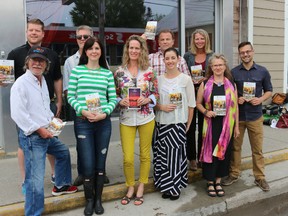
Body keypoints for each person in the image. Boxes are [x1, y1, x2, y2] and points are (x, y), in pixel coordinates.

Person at [10, 46, 77, 216]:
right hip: (33, 137)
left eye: (41, 61)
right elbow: (18, 115)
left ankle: (61, 185)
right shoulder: (20, 84)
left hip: (46, 132)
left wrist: (52, 121)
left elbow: (43, 108)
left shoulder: (41, 81)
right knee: (35, 181)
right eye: (34, 60)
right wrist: (40, 129)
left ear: (46, 65)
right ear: (28, 62)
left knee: (62, 152)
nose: (37, 64)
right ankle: (33, 213)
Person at [7, 18, 62, 190]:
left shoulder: (52, 55)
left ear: (43, 34)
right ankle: (26, 180)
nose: (34, 33)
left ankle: (55, 174)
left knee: (52, 141)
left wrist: (60, 101)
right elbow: (6, 79)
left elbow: (57, 78)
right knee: (23, 145)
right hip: (25, 110)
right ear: (26, 31)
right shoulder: (14, 54)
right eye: (31, 30)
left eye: (37, 30)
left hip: (48, 108)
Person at [67, 37, 117, 215]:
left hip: (103, 123)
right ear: (85, 51)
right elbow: (70, 96)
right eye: (90, 48)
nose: (94, 51)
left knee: (100, 164)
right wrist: (84, 111)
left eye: (97, 48)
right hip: (84, 122)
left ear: (101, 51)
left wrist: (104, 113)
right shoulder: (77, 71)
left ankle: (98, 200)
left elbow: (113, 99)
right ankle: (88, 199)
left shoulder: (107, 73)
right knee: (88, 164)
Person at [221, 42, 273, 192]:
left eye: (247, 52)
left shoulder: (263, 71)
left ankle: (260, 177)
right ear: (239, 54)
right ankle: (234, 173)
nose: (245, 54)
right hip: (239, 117)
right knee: (235, 148)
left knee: (257, 149)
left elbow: (269, 90)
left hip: (256, 116)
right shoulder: (234, 72)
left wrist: (261, 99)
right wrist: (237, 98)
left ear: (253, 52)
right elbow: (229, 92)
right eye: (242, 52)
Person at [114, 35, 158, 206]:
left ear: (141, 50)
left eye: (137, 48)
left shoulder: (149, 71)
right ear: (127, 50)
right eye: (131, 48)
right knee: (128, 158)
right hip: (126, 118)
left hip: (146, 117)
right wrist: (120, 101)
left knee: (145, 155)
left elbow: (157, 94)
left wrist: (148, 100)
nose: (133, 51)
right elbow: (114, 94)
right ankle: (130, 186)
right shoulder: (119, 72)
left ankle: (141, 186)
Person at [153, 47, 195, 200]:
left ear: (178, 59)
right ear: (163, 61)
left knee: (176, 156)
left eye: (173, 58)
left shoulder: (186, 79)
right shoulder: (158, 80)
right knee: (162, 156)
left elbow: (191, 105)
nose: (170, 61)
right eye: (167, 58)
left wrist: (188, 125)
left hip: (178, 124)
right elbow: (153, 103)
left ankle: (175, 186)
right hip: (162, 124)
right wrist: (161, 107)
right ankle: (165, 186)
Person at [196, 54, 239, 197]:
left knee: (223, 153)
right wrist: (206, 112)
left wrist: (237, 127)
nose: (218, 67)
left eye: (220, 65)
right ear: (211, 67)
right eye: (215, 65)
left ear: (225, 66)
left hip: (227, 125)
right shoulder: (205, 83)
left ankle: (218, 181)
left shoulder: (232, 85)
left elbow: (236, 108)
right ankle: (210, 182)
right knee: (210, 153)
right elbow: (198, 104)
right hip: (210, 125)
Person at [184, 29, 213, 171]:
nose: (199, 41)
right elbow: (183, 73)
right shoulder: (188, 56)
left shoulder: (212, 55)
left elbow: (216, 73)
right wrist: (190, 79)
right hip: (190, 94)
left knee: (203, 127)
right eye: (197, 39)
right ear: (193, 40)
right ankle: (192, 158)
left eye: (202, 38)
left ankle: (202, 155)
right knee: (190, 127)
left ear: (206, 39)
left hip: (205, 95)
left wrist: (206, 79)